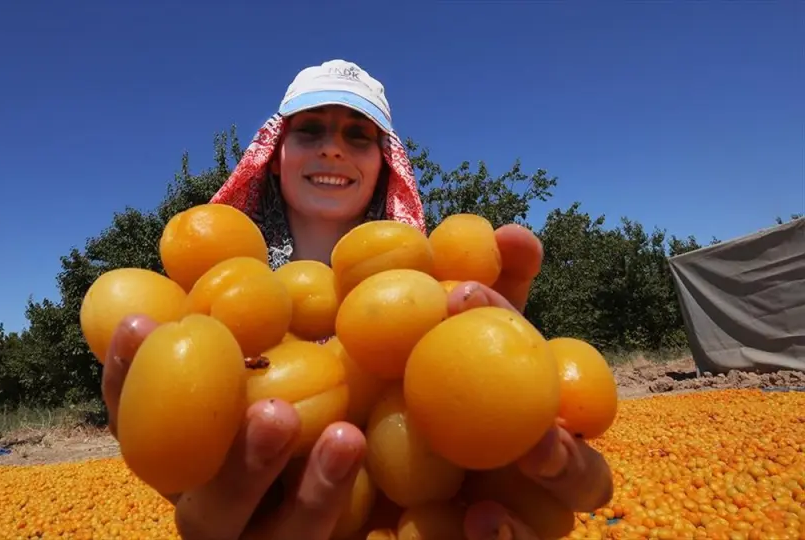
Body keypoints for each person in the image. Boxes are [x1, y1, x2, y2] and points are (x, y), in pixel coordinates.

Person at [101, 60, 613, 540]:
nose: (332, 149)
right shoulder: (205, 294)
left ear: (385, 163)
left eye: (358, 135)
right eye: (310, 130)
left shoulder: (441, 287)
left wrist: (511, 425)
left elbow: (478, 413)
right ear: (274, 156)